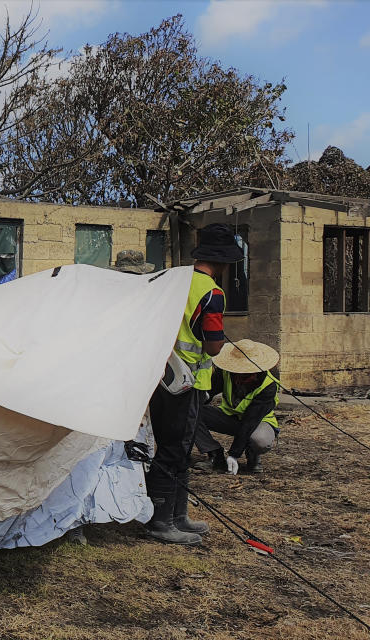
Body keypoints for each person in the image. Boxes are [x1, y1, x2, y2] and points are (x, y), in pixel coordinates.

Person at [146, 223, 244, 545]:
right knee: (175, 449)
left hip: (162, 377)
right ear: (223, 261)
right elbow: (214, 346)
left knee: (179, 447)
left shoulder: (175, 281)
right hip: (187, 383)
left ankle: (178, 516)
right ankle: (161, 522)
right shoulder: (213, 293)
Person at [67, 250, 156, 546]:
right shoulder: (101, 309)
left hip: (129, 391)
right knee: (91, 455)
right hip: (100, 392)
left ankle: (117, 510)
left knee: (125, 454)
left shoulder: (146, 309)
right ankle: (75, 520)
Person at [194, 339, 281, 475]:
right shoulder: (226, 372)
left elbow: (250, 421)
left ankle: (253, 454)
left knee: (260, 440)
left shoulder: (269, 385)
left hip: (258, 423)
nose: (239, 378)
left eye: (245, 374)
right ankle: (215, 455)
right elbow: (208, 392)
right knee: (191, 412)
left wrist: (234, 454)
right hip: (229, 417)